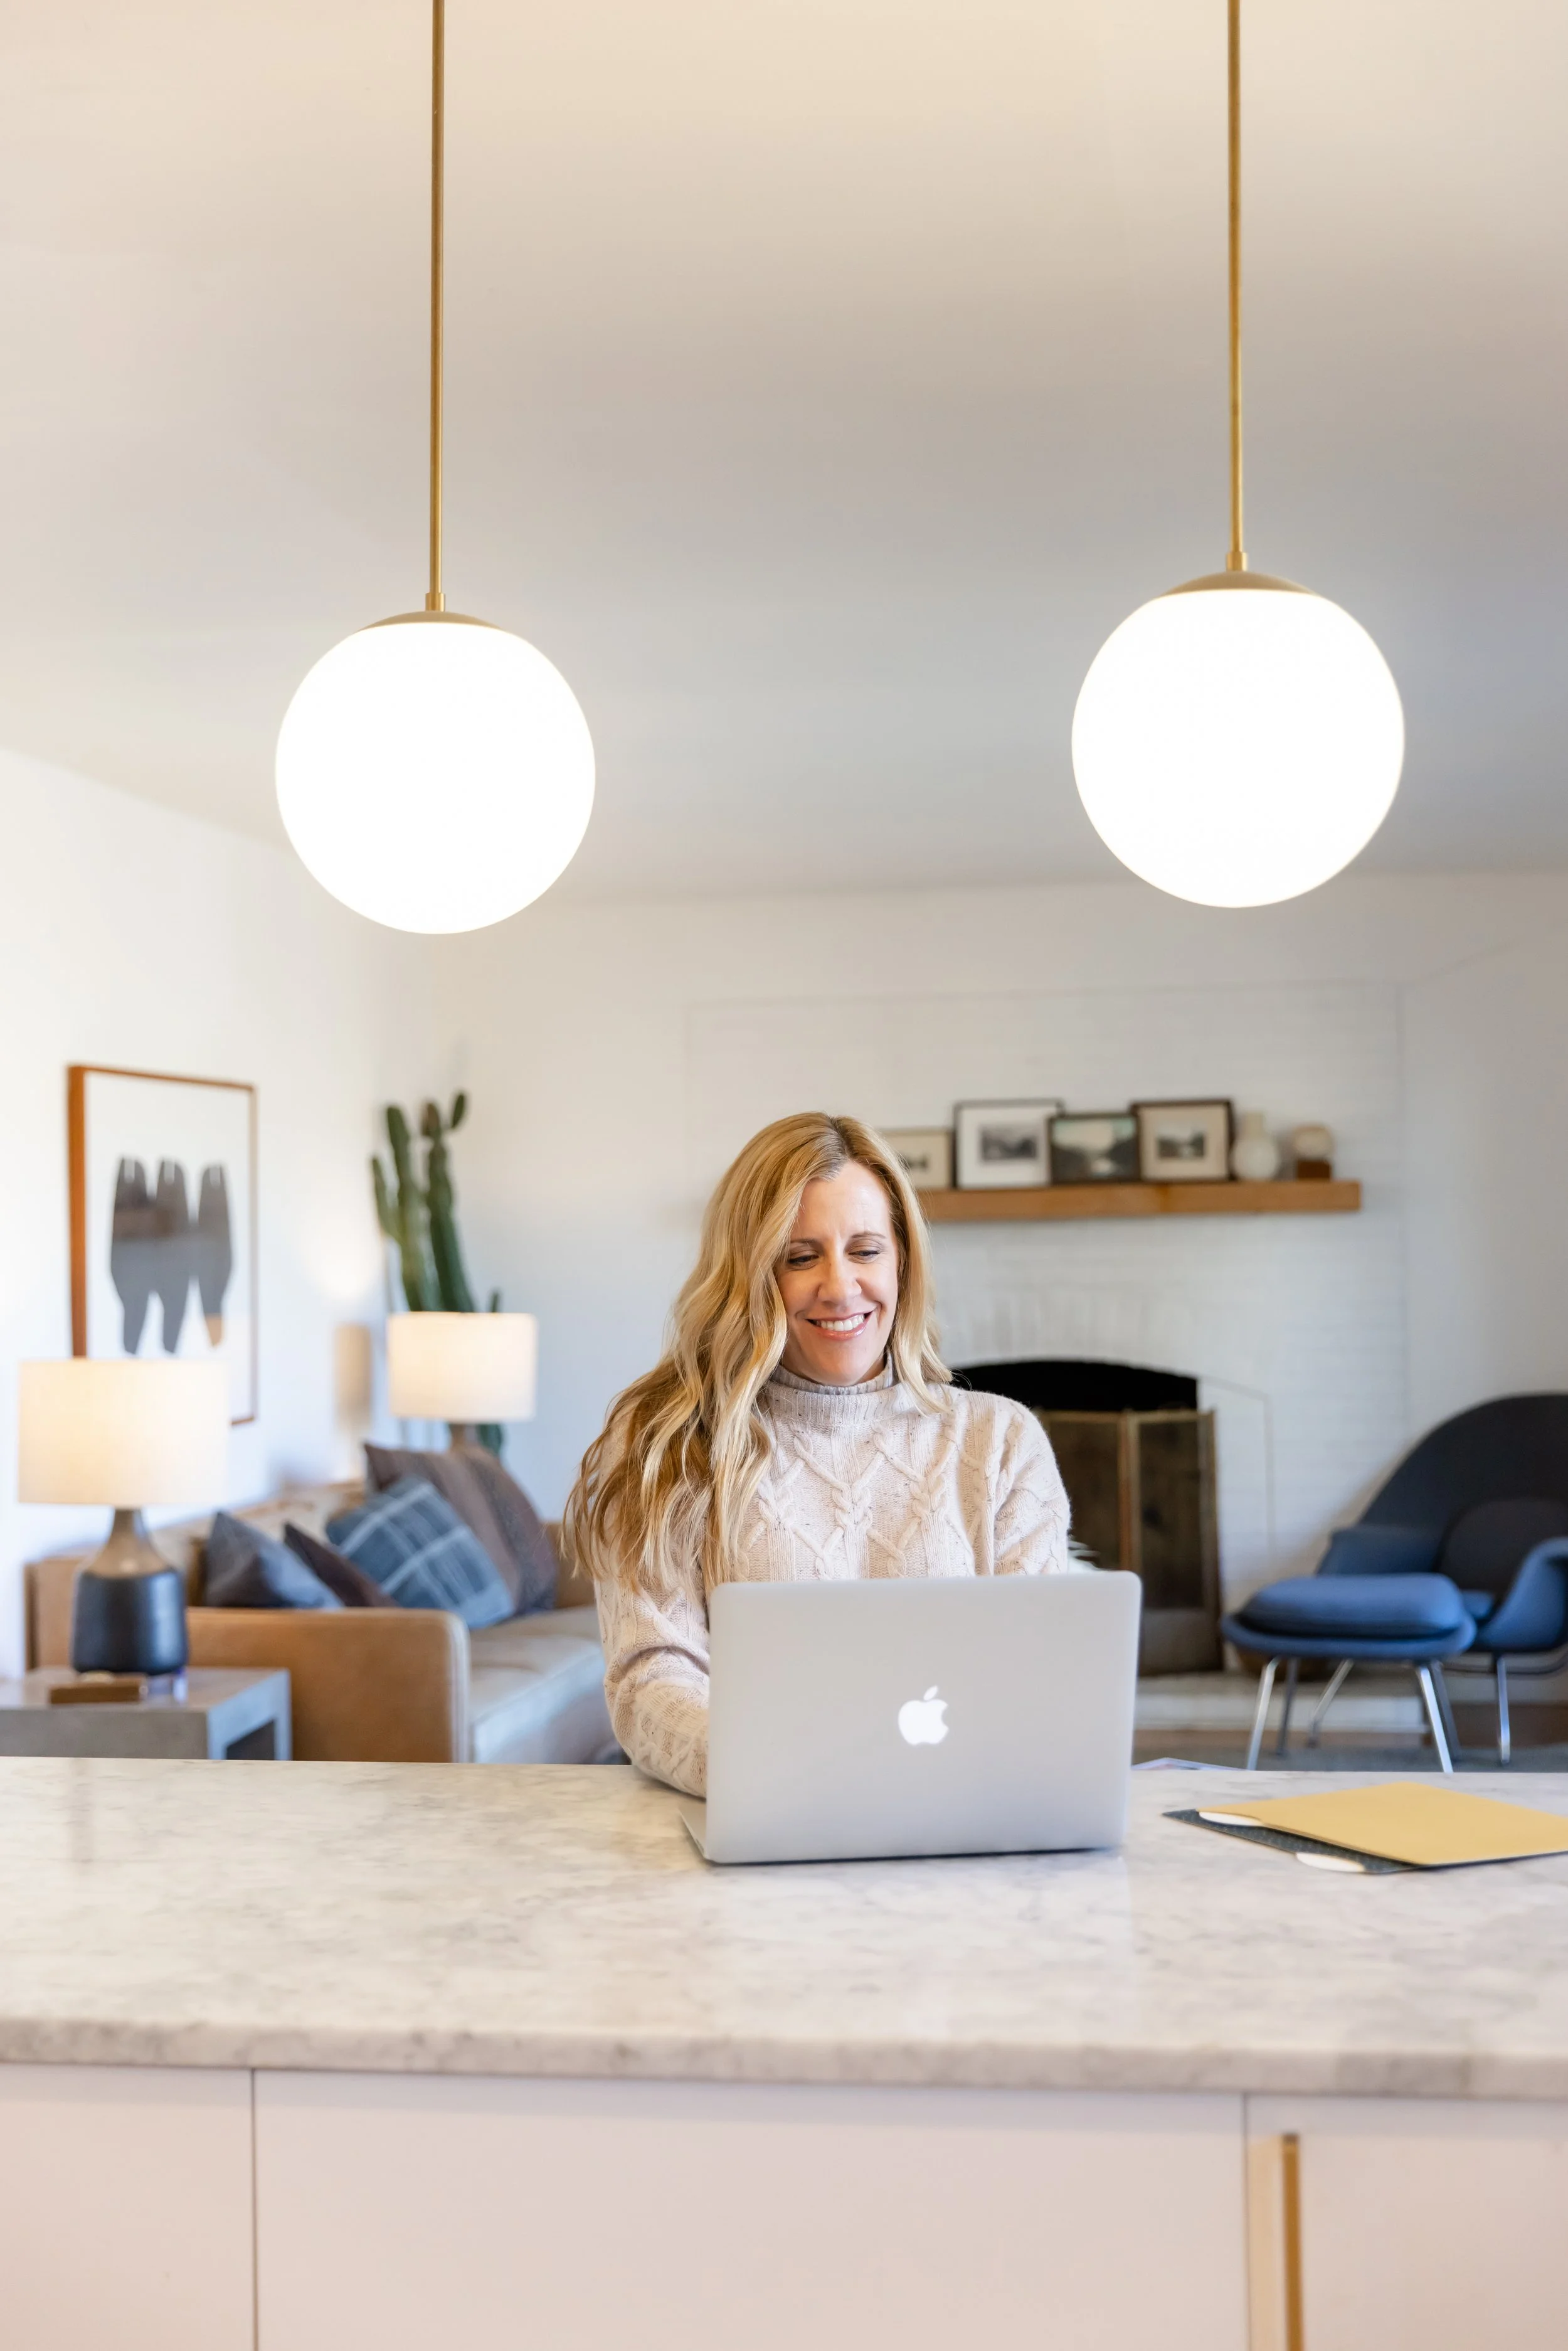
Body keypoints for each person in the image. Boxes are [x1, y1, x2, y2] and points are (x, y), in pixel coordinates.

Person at [564, 1112, 1073, 1795]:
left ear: (902, 1261)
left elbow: (1036, 1673)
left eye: (864, 1250)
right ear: (747, 1274)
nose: (839, 1286)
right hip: (760, 1813)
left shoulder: (1001, 1441)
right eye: (800, 1257)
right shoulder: (668, 1439)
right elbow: (650, 1677)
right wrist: (781, 1774)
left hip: (961, 1811)